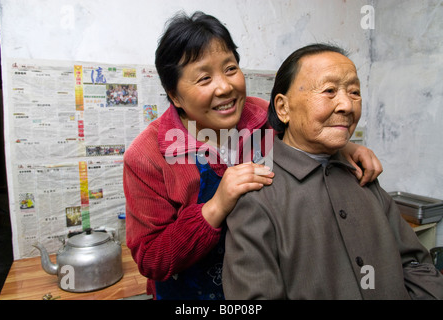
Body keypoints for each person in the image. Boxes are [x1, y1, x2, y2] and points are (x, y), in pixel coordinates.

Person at [123, 12, 383, 300]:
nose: (225, 87)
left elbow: (305, 133)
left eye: (231, 69)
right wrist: (216, 206)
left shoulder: (261, 116)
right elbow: (151, 259)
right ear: (175, 95)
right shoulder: (147, 156)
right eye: (204, 78)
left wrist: (346, 148)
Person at [222, 43, 443, 300]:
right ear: (283, 108)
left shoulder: (362, 175)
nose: (347, 105)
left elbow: (416, 265)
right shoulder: (258, 193)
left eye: (354, 92)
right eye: (329, 91)